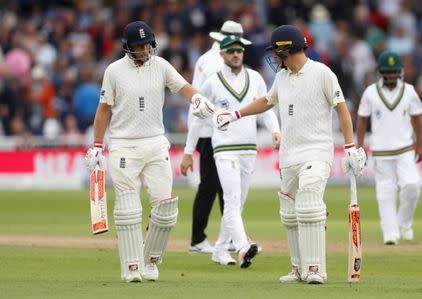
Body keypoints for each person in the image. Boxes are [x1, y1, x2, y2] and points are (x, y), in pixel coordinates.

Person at [214, 25, 366, 284]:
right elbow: (266, 101)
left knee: (308, 204)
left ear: (288, 49)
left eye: (276, 52)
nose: (274, 57)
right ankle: (298, 269)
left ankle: (315, 268)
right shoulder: (282, 78)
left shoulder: (322, 73)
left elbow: (341, 109)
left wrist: (350, 146)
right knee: (289, 213)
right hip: (289, 155)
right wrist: (236, 114)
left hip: (316, 152)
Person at [85, 21, 214, 283]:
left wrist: (199, 99)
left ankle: (150, 261)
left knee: (165, 210)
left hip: (156, 143)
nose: (144, 50)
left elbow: (185, 87)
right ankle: (131, 267)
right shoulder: (114, 71)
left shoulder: (161, 65)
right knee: (129, 208)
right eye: (138, 46)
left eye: (147, 45)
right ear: (127, 47)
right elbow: (104, 110)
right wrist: (97, 145)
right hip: (123, 144)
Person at [201, 35, 280, 267]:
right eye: (231, 51)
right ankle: (244, 247)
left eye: (239, 50)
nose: (236, 54)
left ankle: (220, 249)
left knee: (238, 202)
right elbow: (198, 116)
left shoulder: (255, 78)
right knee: (232, 200)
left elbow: (266, 107)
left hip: (248, 148)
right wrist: (188, 149)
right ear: (222, 54)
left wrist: (275, 130)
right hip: (224, 148)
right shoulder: (212, 82)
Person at [180, 21, 252, 254]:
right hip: (215, 132)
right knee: (215, 187)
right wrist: (188, 149)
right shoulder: (216, 63)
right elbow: (204, 103)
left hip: (209, 131)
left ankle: (228, 237)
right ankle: (204, 239)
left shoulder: (204, 58)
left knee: (219, 187)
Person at [357, 50, 422, 245]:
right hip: (380, 150)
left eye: (395, 71)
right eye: (388, 72)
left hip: (405, 149)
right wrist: (360, 148)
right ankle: (390, 233)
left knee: (412, 185)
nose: (391, 75)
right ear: (381, 72)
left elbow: (418, 120)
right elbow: (361, 122)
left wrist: (419, 145)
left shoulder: (409, 91)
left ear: (400, 72)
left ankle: (404, 223)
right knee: (385, 192)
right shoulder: (370, 92)